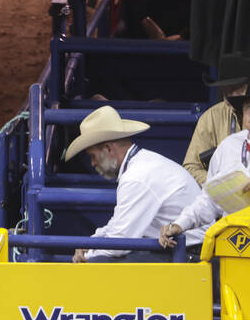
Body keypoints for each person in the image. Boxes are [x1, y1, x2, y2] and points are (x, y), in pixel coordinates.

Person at [64, 106, 205, 263]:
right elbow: (118, 226)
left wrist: (87, 257)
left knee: (97, 265)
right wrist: (89, 244)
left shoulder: (136, 176)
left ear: (108, 148)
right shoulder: (141, 166)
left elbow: (119, 242)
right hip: (185, 249)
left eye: (93, 156)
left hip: (188, 254)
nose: (92, 163)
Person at [162, 91, 250, 252]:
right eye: (249, 108)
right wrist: (179, 224)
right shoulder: (228, 146)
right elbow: (210, 200)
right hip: (233, 246)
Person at [182, 52, 250, 186]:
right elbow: (191, 166)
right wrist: (221, 186)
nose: (229, 96)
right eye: (225, 90)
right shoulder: (211, 117)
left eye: (236, 89)